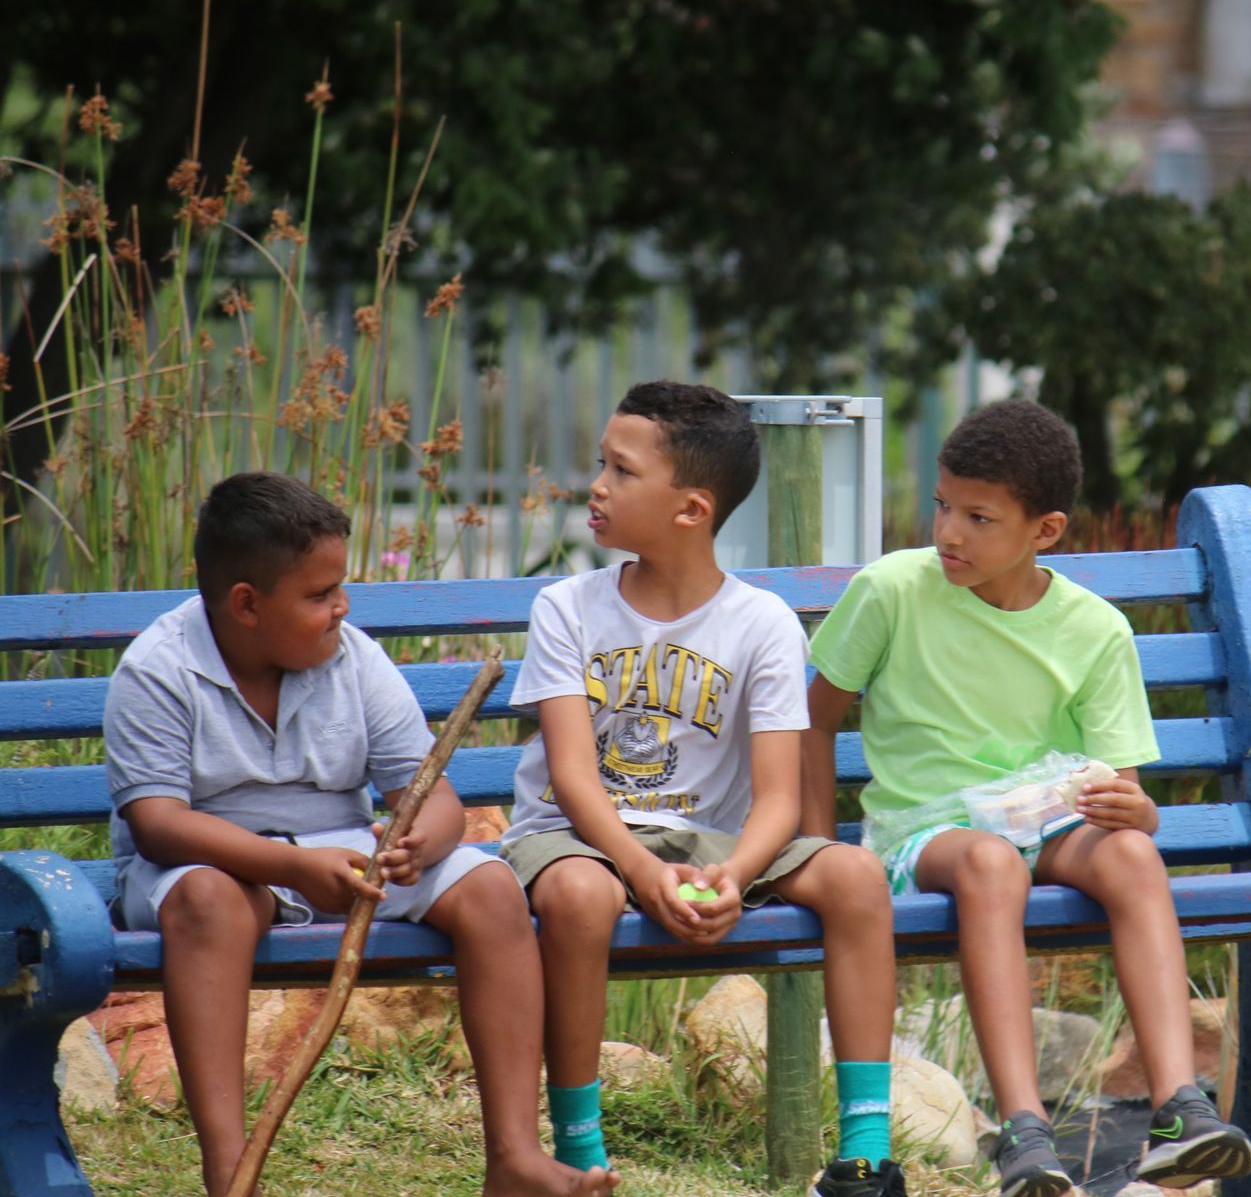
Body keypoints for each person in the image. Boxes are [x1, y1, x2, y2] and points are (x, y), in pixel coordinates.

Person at [105, 471, 615, 1197]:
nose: (341, 606)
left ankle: (514, 1155)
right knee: (211, 904)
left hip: (348, 857)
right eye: (319, 595)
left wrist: (420, 843)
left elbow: (430, 793)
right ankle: (229, 1172)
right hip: (207, 866)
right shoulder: (158, 670)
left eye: (340, 587)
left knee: (492, 887)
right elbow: (158, 826)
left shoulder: (353, 657)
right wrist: (288, 867)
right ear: (246, 604)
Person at [802, 400, 1251, 1196]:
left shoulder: (1094, 629)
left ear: (1044, 531)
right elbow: (808, 726)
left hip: (1043, 825)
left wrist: (1137, 813)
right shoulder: (892, 592)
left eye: (979, 517)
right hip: (924, 835)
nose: (949, 533)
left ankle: (1180, 1107)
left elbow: (1127, 792)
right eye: (943, 505)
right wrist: (815, 853)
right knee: (989, 863)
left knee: (1131, 853)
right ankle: (1023, 1134)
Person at [499, 381, 907, 1197]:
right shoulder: (566, 609)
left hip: (710, 843)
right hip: (577, 835)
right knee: (581, 899)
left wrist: (733, 874)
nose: (598, 485)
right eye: (602, 465)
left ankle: (865, 1152)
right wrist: (640, 872)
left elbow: (781, 801)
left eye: (621, 469)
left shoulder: (760, 623)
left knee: (857, 876)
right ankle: (580, 1151)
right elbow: (575, 780)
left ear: (691, 509)